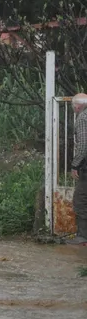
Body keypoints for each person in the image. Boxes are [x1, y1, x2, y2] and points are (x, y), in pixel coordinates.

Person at [72, 93, 87, 244]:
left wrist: (75, 164)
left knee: (80, 200)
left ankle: (83, 236)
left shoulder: (82, 118)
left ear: (77, 106)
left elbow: (83, 145)